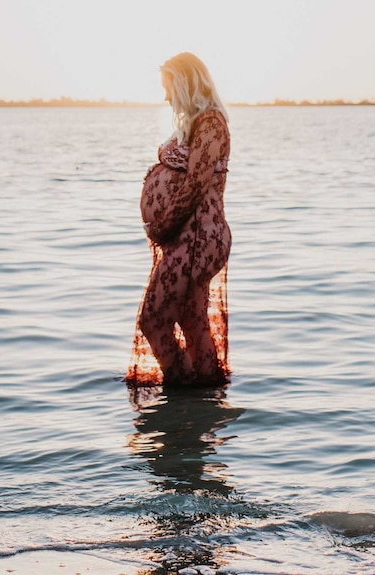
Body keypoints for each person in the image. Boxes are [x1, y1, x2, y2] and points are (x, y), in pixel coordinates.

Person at [126, 52, 232, 386]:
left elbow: (195, 185)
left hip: (200, 238)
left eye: (169, 87)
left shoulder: (211, 123)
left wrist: (161, 227)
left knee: (154, 321)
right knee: (192, 320)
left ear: (185, 84)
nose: (166, 96)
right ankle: (206, 397)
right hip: (187, 238)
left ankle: (182, 392)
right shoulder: (195, 123)